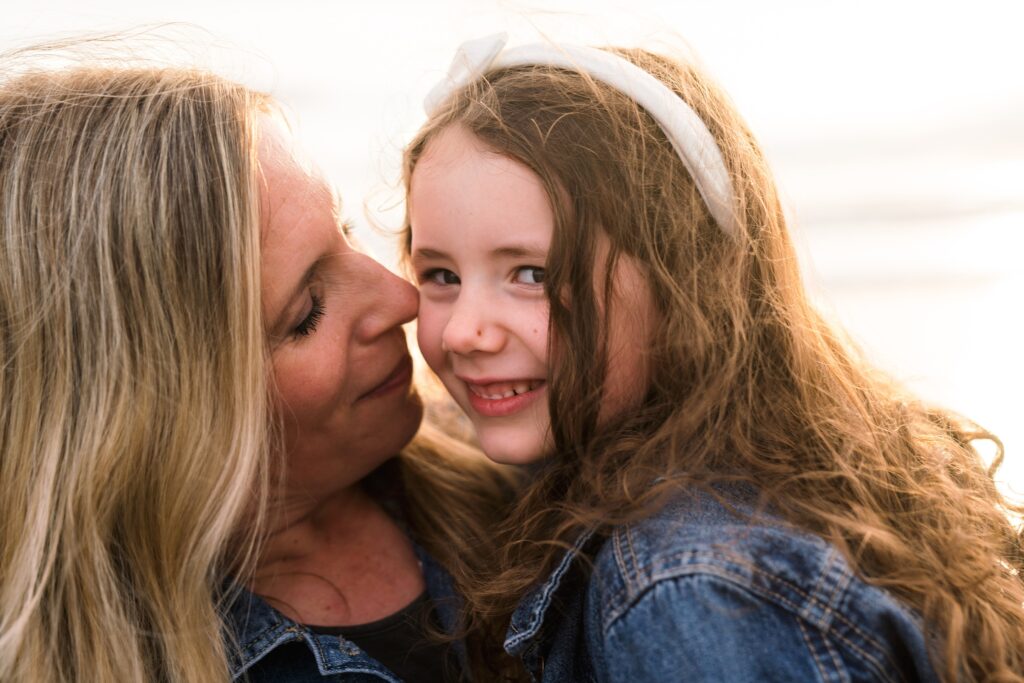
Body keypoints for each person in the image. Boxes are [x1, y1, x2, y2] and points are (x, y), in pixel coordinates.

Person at [402, 34, 1024, 681]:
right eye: (441, 274)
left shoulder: (687, 593)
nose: (465, 332)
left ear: (681, 280)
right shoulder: (800, 458)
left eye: (531, 272)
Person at [0, 41, 508, 683]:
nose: (402, 297)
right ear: (149, 418)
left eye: (347, 233)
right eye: (307, 313)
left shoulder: (534, 491)